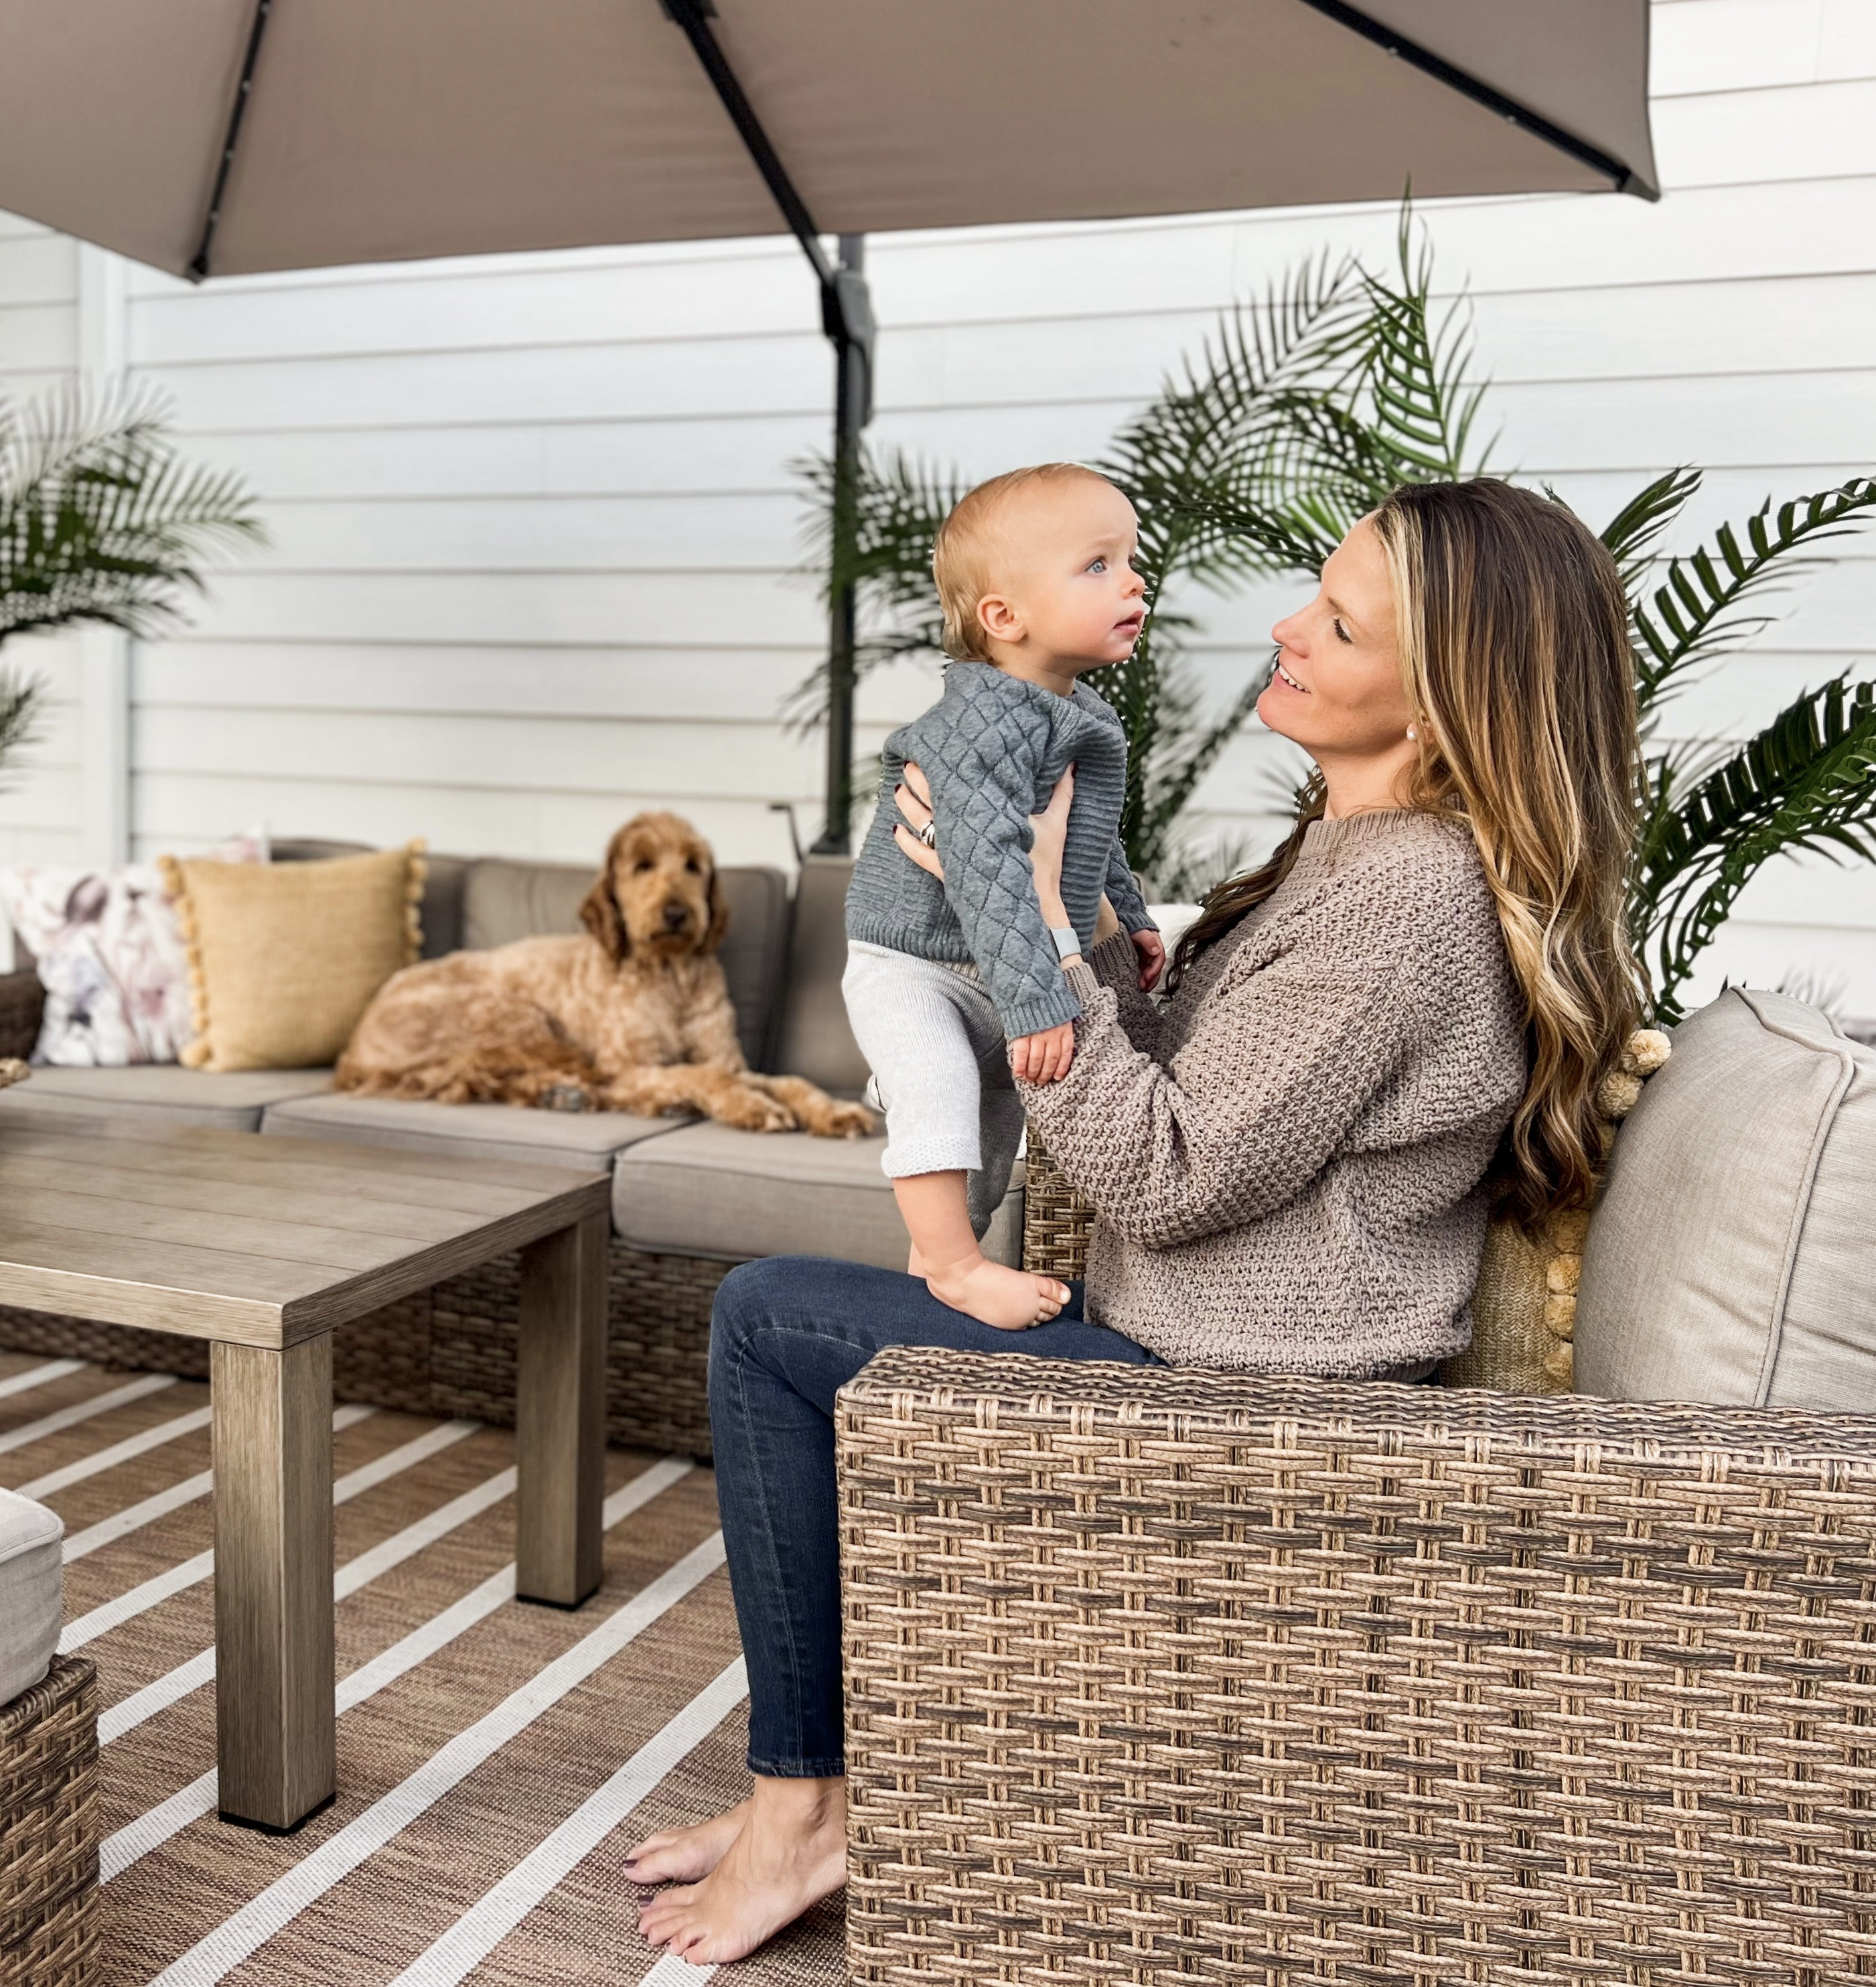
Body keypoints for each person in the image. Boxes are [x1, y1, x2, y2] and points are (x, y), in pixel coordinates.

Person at [626, 478, 1648, 1964]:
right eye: (1316, 588)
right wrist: (1085, 926)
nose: (1285, 630)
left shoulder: (1402, 902)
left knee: (766, 1320)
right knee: (789, 1312)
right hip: (1194, 1358)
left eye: (1338, 623)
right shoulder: (1349, 857)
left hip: (1245, 1411)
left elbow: (1162, 1168)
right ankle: (824, 1790)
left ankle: (803, 1810)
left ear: (1439, 706)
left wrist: (1029, 921)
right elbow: (1193, 1073)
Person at [837, 464, 1167, 1329]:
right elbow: (984, 859)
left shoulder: (1069, 709)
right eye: (1097, 565)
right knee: (939, 1083)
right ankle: (952, 1267)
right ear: (1004, 618)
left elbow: (1088, 830)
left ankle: (930, 1272)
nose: (1134, 579)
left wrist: (1129, 920)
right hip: (911, 962)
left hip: (985, 961)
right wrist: (1035, 999)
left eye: (1130, 559)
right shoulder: (979, 723)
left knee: (984, 1136)